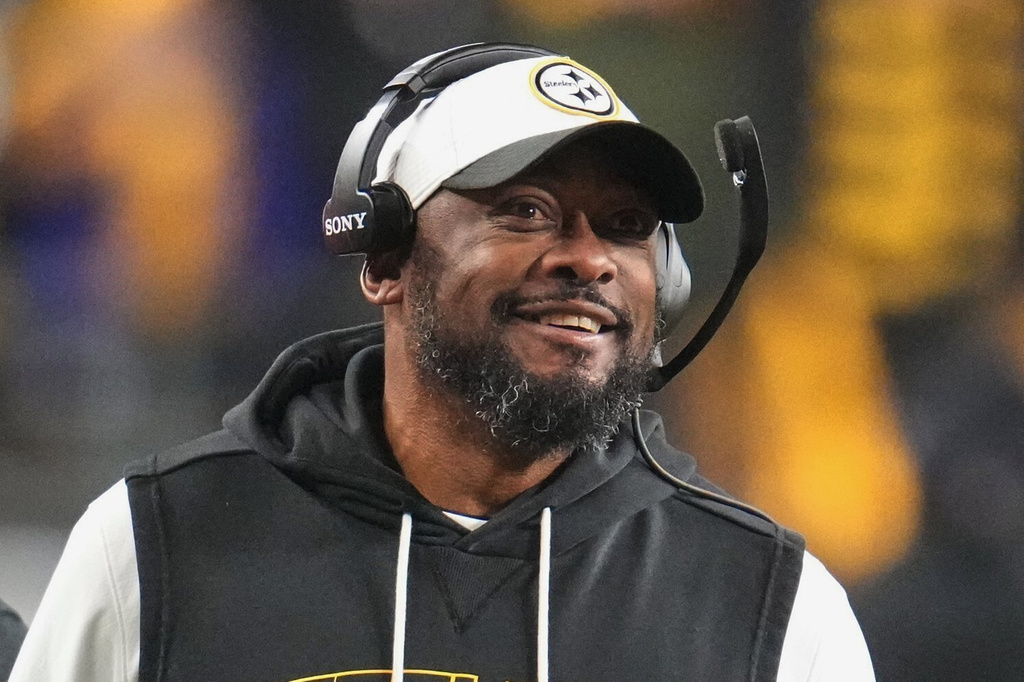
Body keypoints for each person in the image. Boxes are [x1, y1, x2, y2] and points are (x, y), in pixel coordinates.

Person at [11, 45, 874, 681]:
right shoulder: (153, 548)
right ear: (384, 257)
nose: (589, 259)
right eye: (525, 210)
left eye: (625, 226)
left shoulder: (772, 606)